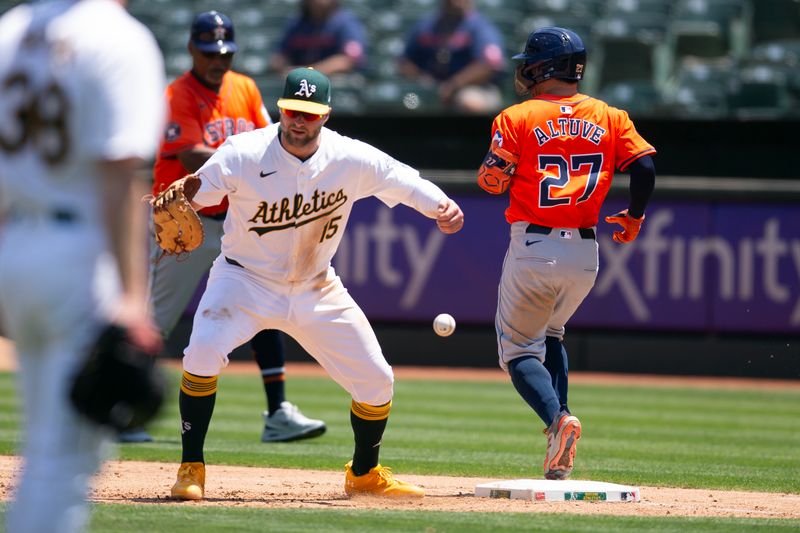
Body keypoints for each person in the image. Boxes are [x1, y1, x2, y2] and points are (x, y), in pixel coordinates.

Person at [167, 67, 464, 500]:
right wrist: (182, 196)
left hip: (315, 287)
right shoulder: (244, 152)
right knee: (201, 353)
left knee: (377, 381)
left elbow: (401, 179)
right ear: (281, 109)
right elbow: (200, 190)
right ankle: (190, 468)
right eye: (292, 110)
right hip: (243, 279)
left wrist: (441, 205)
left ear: (325, 115)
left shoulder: (349, 157)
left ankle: (364, 474)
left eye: (309, 112)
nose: (299, 120)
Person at [0, 0, 165, 531]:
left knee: (45, 445)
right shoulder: (119, 38)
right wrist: (134, 299)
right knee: (65, 460)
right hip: (76, 252)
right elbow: (119, 175)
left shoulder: (12, 30)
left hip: (17, 243)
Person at [132, 10, 327, 444]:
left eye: (224, 52)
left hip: (239, 225)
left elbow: (270, 140)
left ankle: (277, 412)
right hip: (186, 223)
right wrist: (250, 164)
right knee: (154, 320)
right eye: (208, 52)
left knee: (270, 305)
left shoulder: (245, 87)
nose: (217, 60)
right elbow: (189, 156)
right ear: (191, 50)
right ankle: (126, 409)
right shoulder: (177, 94)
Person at [477, 27, 656, 480]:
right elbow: (646, 167)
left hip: (535, 245)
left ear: (546, 68)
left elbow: (492, 180)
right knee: (552, 334)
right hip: (585, 253)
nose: (527, 71)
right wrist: (634, 216)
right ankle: (563, 422)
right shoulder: (611, 116)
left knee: (518, 351)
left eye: (532, 64)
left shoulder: (518, 116)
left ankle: (559, 422)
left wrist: (496, 174)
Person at [398, 0, 506, 114]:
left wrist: (453, 85)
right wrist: (422, 79)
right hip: (431, 87)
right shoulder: (425, 26)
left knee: (470, 102)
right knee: (405, 100)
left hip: (476, 88)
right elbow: (404, 62)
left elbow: (489, 66)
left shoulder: (481, 27)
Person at [269, 0, 367, 77]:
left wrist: (309, 72)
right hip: (300, 88)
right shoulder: (296, 24)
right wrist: (283, 68)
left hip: (335, 88)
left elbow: (349, 60)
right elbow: (279, 58)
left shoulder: (346, 23)